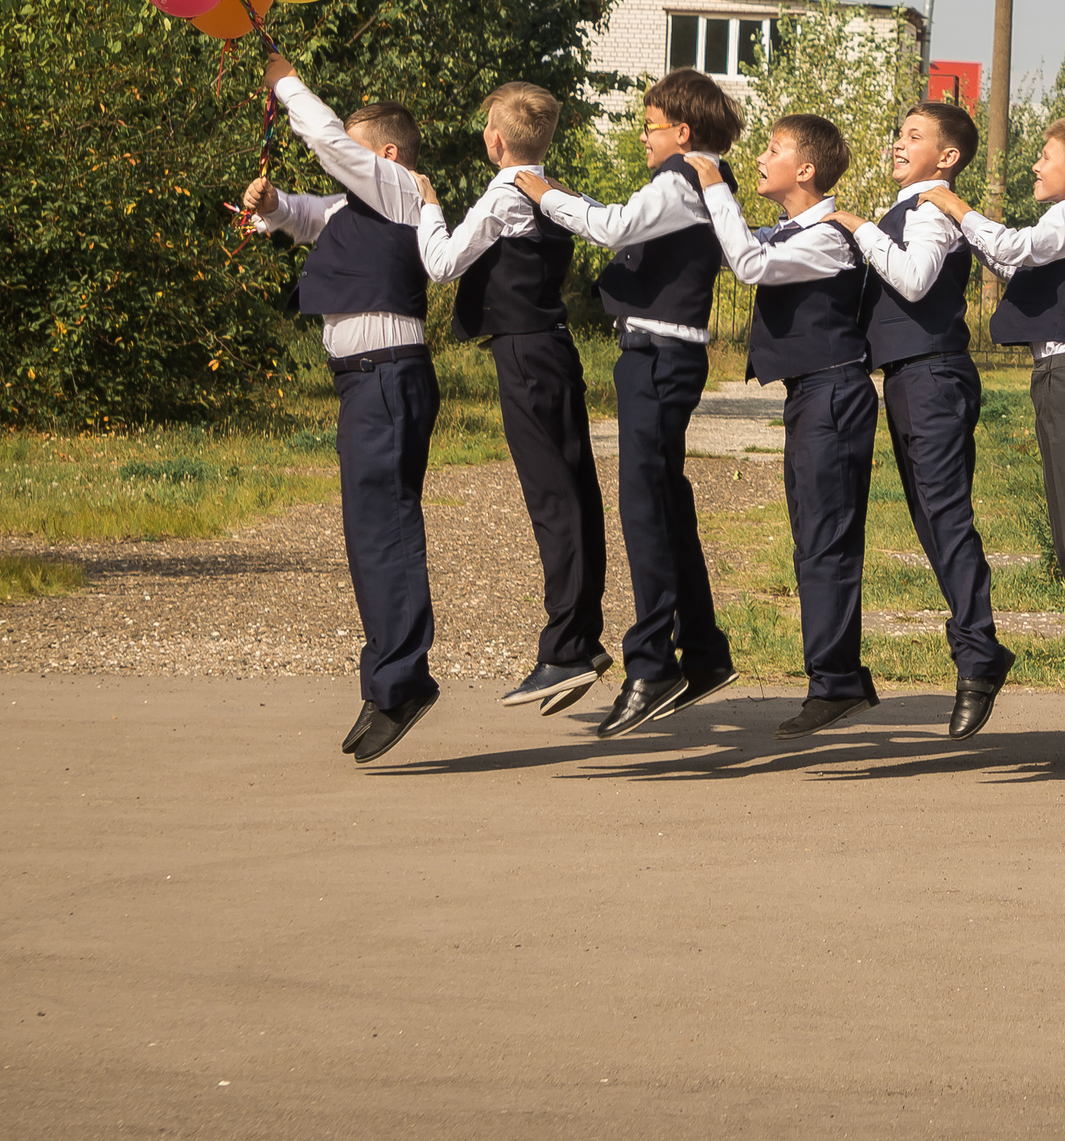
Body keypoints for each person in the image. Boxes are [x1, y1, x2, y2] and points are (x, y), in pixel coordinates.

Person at [516, 71, 740, 738]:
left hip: (660, 359)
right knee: (664, 504)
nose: (641, 136)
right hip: (656, 354)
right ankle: (701, 651)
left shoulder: (681, 180)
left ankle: (652, 666)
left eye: (648, 125)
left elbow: (611, 227)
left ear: (682, 130)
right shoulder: (693, 180)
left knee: (644, 510)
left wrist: (548, 193)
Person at [242, 52, 441, 764]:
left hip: (386, 377)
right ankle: (391, 677)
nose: (342, 165)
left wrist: (285, 82)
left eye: (356, 154)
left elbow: (326, 142)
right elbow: (302, 215)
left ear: (385, 155)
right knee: (370, 534)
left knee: (382, 532)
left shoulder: (396, 187)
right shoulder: (357, 204)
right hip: (367, 382)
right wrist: (269, 210)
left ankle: (402, 682)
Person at [922, 117, 1065, 752]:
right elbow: (1012, 257)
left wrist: (956, 204)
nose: (1036, 166)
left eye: (1045, 156)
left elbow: (1017, 248)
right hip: (1058, 377)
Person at [415, 82, 610, 719]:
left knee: (554, 495)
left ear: (495, 140)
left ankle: (567, 647)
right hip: (550, 346)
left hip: (525, 353)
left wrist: (429, 207)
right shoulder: (551, 188)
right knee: (574, 489)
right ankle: (579, 636)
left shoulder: (504, 191)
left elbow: (443, 264)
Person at [690, 115, 883, 740]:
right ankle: (837, 676)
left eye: (775, 150)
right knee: (813, 537)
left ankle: (835, 682)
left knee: (825, 539)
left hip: (833, 393)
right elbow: (737, 248)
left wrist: (717, 185)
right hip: (812, 395)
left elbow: (748, 263)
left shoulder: (827, 236)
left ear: (806, 170)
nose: (762, 157)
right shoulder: (797, 231)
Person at [828, 102, 1015, 740]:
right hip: (911, 379)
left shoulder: (933, 207)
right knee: (932, 520)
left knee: (946, 516)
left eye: (915, 135)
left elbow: (912, 280)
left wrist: (854, 223)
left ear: (949, 156)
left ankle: (978, 654)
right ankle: (978, 650)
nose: (900, 143)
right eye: (899, 133)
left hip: (933, 375)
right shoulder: (906, 209)